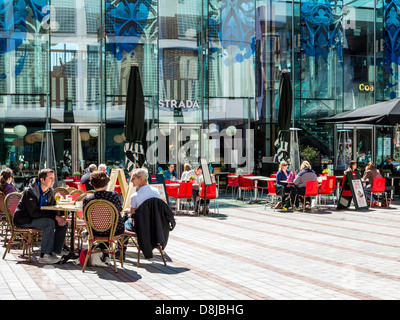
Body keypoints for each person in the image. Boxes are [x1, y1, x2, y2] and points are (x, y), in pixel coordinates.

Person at [13, 169, 68, 264]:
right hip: (25, 220)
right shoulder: (30, 191)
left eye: (54, 178)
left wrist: (61, 212)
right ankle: (44, 255)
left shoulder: (50, 192)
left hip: (39, 218)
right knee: (49, 223)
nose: (53, 181)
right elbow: (34, 213)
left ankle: (54, 253)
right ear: (42, 180)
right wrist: (55, 217)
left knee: (63, 223)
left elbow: (53, 209)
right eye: (50, 178)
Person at [82, 170, 125, 264]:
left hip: (95, 231)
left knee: (101, 226)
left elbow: (85, 217)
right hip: (113, 231)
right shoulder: (113, 195)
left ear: (92, 183)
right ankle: (106, 254)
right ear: (106, 182)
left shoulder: (87, 199)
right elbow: (120, 209)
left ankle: (104, 253)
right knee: (109, 224)